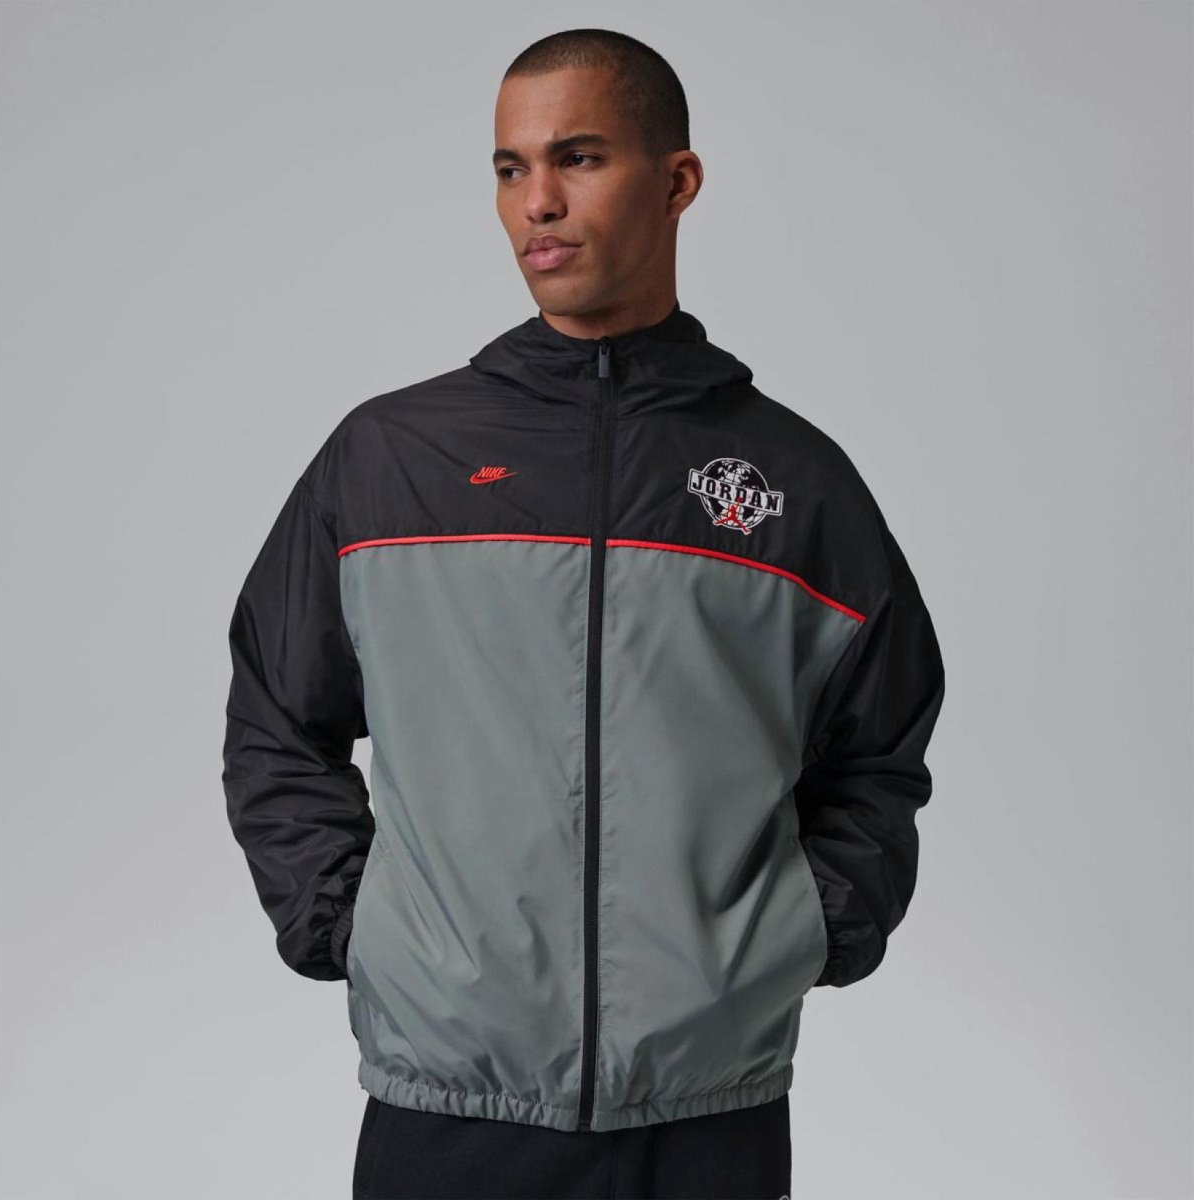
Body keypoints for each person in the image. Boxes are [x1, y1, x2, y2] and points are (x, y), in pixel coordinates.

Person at [221, 26, 946, 1200]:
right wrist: (351, 926)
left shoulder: (792, 481)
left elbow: (880, 747)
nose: (538, 203)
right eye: (510, 168)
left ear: (678, 180)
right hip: (447, 1105)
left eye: (580, 157)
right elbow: (276, 718)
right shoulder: (391, 460)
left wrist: (807, 930)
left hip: (706, 1115)